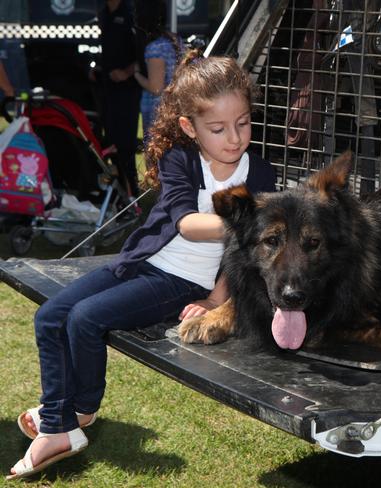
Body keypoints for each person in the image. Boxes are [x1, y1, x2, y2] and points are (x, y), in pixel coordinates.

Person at [7, 50, 277, 480]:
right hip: (140, 262)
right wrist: (251, 223)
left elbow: (243, 257)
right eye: (218, 128)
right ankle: (59, 420)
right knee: (49, 316)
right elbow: (186, 224)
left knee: (85, 319)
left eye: (243, 123)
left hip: (183, 282)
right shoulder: (180, 160)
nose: (234, 138)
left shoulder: (259, 173)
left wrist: (215, 300)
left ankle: (78, 415)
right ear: (190, 127)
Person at [95, 0, 141, 197]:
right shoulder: (104, 13)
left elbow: (144, 52)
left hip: (127, 91)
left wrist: (126, 72)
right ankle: (118, 190)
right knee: (109, 141)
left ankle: (133, 194)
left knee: (125, 145)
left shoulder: (132, 14)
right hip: (107, 90)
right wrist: (99, 68)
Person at [133, 0, 183, 140]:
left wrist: (136, 74)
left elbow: (156, 88)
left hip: (157, 113)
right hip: (174, 108)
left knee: (156, 157)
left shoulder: (155, 47)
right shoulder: (174, 39)